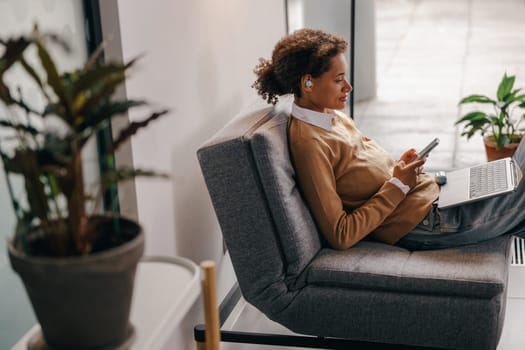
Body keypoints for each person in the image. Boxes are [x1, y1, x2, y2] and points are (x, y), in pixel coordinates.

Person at [252, 28, 525, 250]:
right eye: (339, 80)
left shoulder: (332, 117)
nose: (348, 87)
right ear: (307, 83)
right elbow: (340, 234)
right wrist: (397, 184)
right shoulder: (309, 144)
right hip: (429, 223)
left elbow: (362, 173)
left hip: (435, 196)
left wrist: (399, 168)